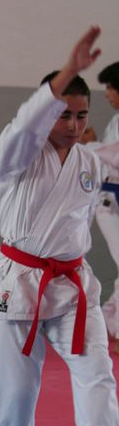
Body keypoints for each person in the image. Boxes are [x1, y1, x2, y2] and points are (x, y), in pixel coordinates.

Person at [0, 26, 119, 426]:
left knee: (98, 370)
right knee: (15, 385)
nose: (74, 124)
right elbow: (26, 124)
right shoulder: (18, 153)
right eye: (64, 114)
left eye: (82, 115)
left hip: (72, 285)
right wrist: (68, 70)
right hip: (18, 280)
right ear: (47, 112)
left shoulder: (90, 161)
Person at [93, 62, 119, 347]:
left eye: (110, 88)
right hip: (109, 203)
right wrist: (94, 146)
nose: (107, 94)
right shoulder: (116, 121)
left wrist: (93, 147)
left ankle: (105, 320)